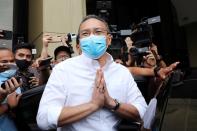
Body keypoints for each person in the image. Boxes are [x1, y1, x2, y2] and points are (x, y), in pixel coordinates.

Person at [37, 15, 147, 131]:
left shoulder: (122, 72)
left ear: (108, 39)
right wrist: (93, 105)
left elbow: (143, 113)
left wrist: (112, 104)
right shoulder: (63, 70)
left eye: (98, 32)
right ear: (79, 42)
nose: (91, 38)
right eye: (85, 34)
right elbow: (44, 119)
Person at [0, 47, 22, 131]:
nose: (10, 64)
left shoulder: (14, 80)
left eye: (12, 61)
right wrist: (8, 106)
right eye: (4, 61)